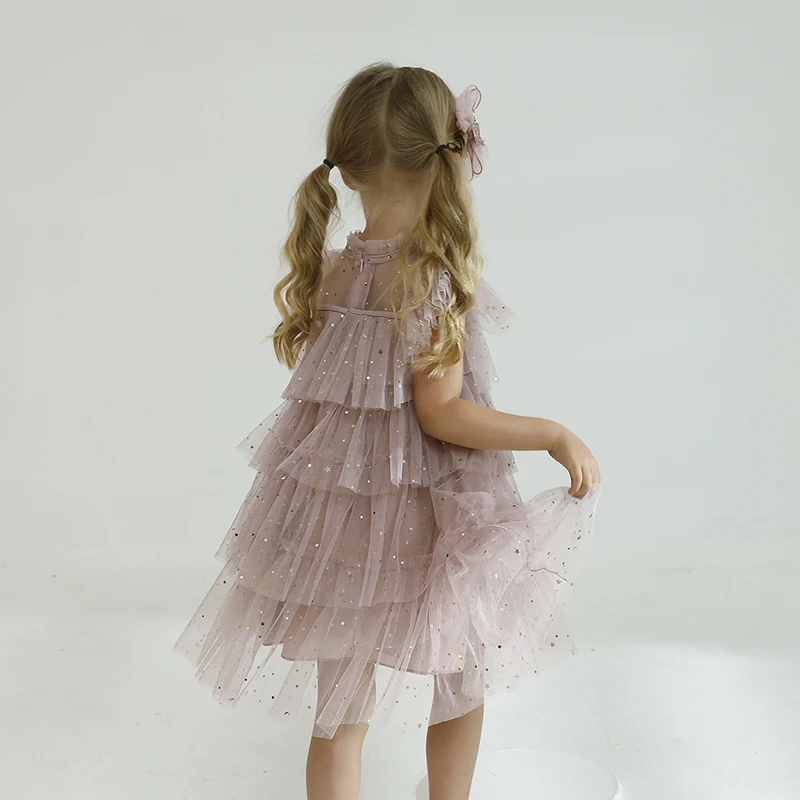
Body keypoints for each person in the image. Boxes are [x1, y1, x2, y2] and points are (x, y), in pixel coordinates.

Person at [173, 61, 601, 800]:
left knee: (339, 714)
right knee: (460, 681)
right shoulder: (434, 277)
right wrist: (551, 433)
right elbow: (442, 413)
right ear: (444, 158)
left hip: (341, 524)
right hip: (431, 517)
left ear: (346, 172)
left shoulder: (334, 273)